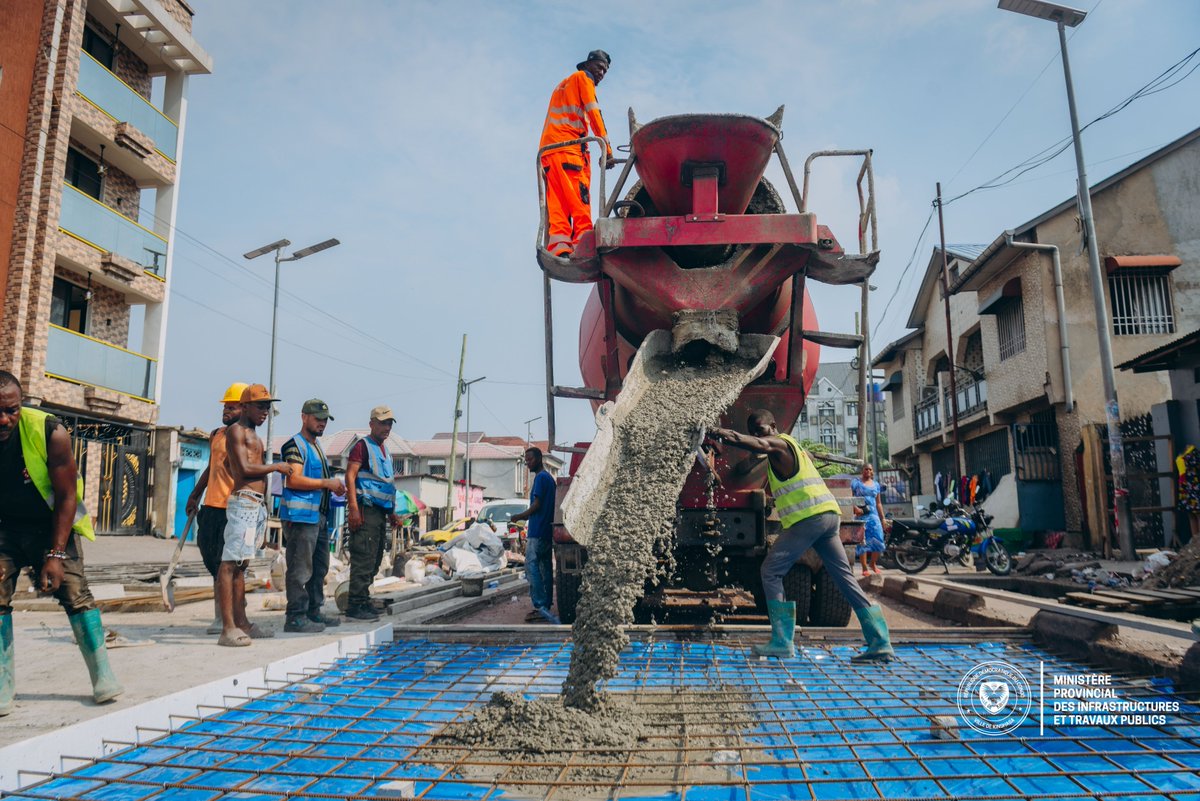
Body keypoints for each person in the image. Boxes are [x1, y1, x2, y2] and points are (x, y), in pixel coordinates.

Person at [709, 410, 894, 662]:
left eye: (760, 430)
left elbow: (760, 444)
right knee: (844, 579)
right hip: (828, 517)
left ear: (773, 426)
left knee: (771, 572)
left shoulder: (780, 443)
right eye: (753, 432)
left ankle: (782, 642)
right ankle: (880, 642)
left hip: (808, 519)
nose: (757, 436)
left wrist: (716, 432)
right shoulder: (795, 448)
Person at [0, 371, 122, 714]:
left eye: (11, 410)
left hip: (51, 522)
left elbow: (68, 496)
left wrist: (54, 554)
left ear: (20, 406)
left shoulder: (49, 431)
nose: (4, 419)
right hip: (5, 526)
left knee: (74, 593)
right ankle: (2, 688)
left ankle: (103, 677)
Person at [219, 384, 291, 647]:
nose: (266, 412)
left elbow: (231, 465)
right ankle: (227, 627)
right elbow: (244, 466)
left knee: (242, 565)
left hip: (255, 504)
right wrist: (276, 467)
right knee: (229, 564)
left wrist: (242, 476)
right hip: (245, 504)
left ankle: (242, 623)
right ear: (246, 406)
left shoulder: (252, 434)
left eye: (268, 407)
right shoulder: (236, 431)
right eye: (261, 406)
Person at [539, 49, 614, 258]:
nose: (601, 73)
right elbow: (594, 112)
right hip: (569, 152)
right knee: (579, 200)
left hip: (549, 152)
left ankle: (560, 248)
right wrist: (606, 149)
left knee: (558, 204)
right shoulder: (583, 79)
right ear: (588, 65)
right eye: (599, 67)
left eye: (605, 71)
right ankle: (584, 245)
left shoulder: (562, 85)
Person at [185, 381, 247, 635]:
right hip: (211, 507)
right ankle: (224, 612)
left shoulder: (245, 437)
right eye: (225, 406)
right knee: (211, 559)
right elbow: (212, 468)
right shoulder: (217, 435)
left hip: (232, 509)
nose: (226, 411)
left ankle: (228, 618)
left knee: (230, 564)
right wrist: (195, 494)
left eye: (232, 407)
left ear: (244, 409)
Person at [280, 399, 346, 633]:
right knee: (300, 568)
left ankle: (313, 611)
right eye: (318, 419)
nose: (322, 423)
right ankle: (295, 616)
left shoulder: (316, 447)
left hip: (318, 517)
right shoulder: (294, 446)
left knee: (319, 567)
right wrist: (327, 483)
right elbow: (293, 478)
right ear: (304, 417)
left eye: (325, 420)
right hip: (300, 518)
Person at [344, 406, 404, 621]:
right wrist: (353, 509)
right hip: (364, 509)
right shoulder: (363, 446)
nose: (386, 427)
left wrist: (391, 514)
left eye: (389, 423)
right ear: (372, 424)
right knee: (364, 556)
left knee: (375, 557)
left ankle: (364, 598)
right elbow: (350, 476)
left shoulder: (385, 452)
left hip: (379, 512)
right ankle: (355, 604)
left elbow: (385, 486)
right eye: (382, 423)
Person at [509, 447, 556, 621]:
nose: (527, 463)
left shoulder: (541, 478)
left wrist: (519, 516)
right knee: (544, 568)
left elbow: (537, 504)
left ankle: (540, 604)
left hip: (537, 530)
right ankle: (546, 604)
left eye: (529, 460)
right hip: (546, 530)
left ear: (538, 459)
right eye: (526, 460)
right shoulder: (550, 479)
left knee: (531, 566)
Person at [852, 464, 888, 576]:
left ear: (872, 471)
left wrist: (883, 518)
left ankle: (873, 563)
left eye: (870, 469)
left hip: (873, 515)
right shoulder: (856, 483)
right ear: (862, 470)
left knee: (879, 538)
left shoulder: (876, 485)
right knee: (862, 541)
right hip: (861, 514)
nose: (868, 471)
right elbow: (851, 497)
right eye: (866, 469)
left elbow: (878, 503)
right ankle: (864, 568)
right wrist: (855, 508)